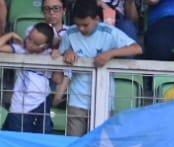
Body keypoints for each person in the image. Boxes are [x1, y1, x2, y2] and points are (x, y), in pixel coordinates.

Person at [58, 1, 141, 136]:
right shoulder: (70, 33)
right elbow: (61, 53)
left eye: (85, 25)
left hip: (104, 98)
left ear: (97, 19)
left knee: (100, 144)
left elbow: (137, 48)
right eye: (78, 24)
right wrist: (67, 52)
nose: (81, 29)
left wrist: (110, 53)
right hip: (76, 98)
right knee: (73, 143)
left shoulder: (109, 32)